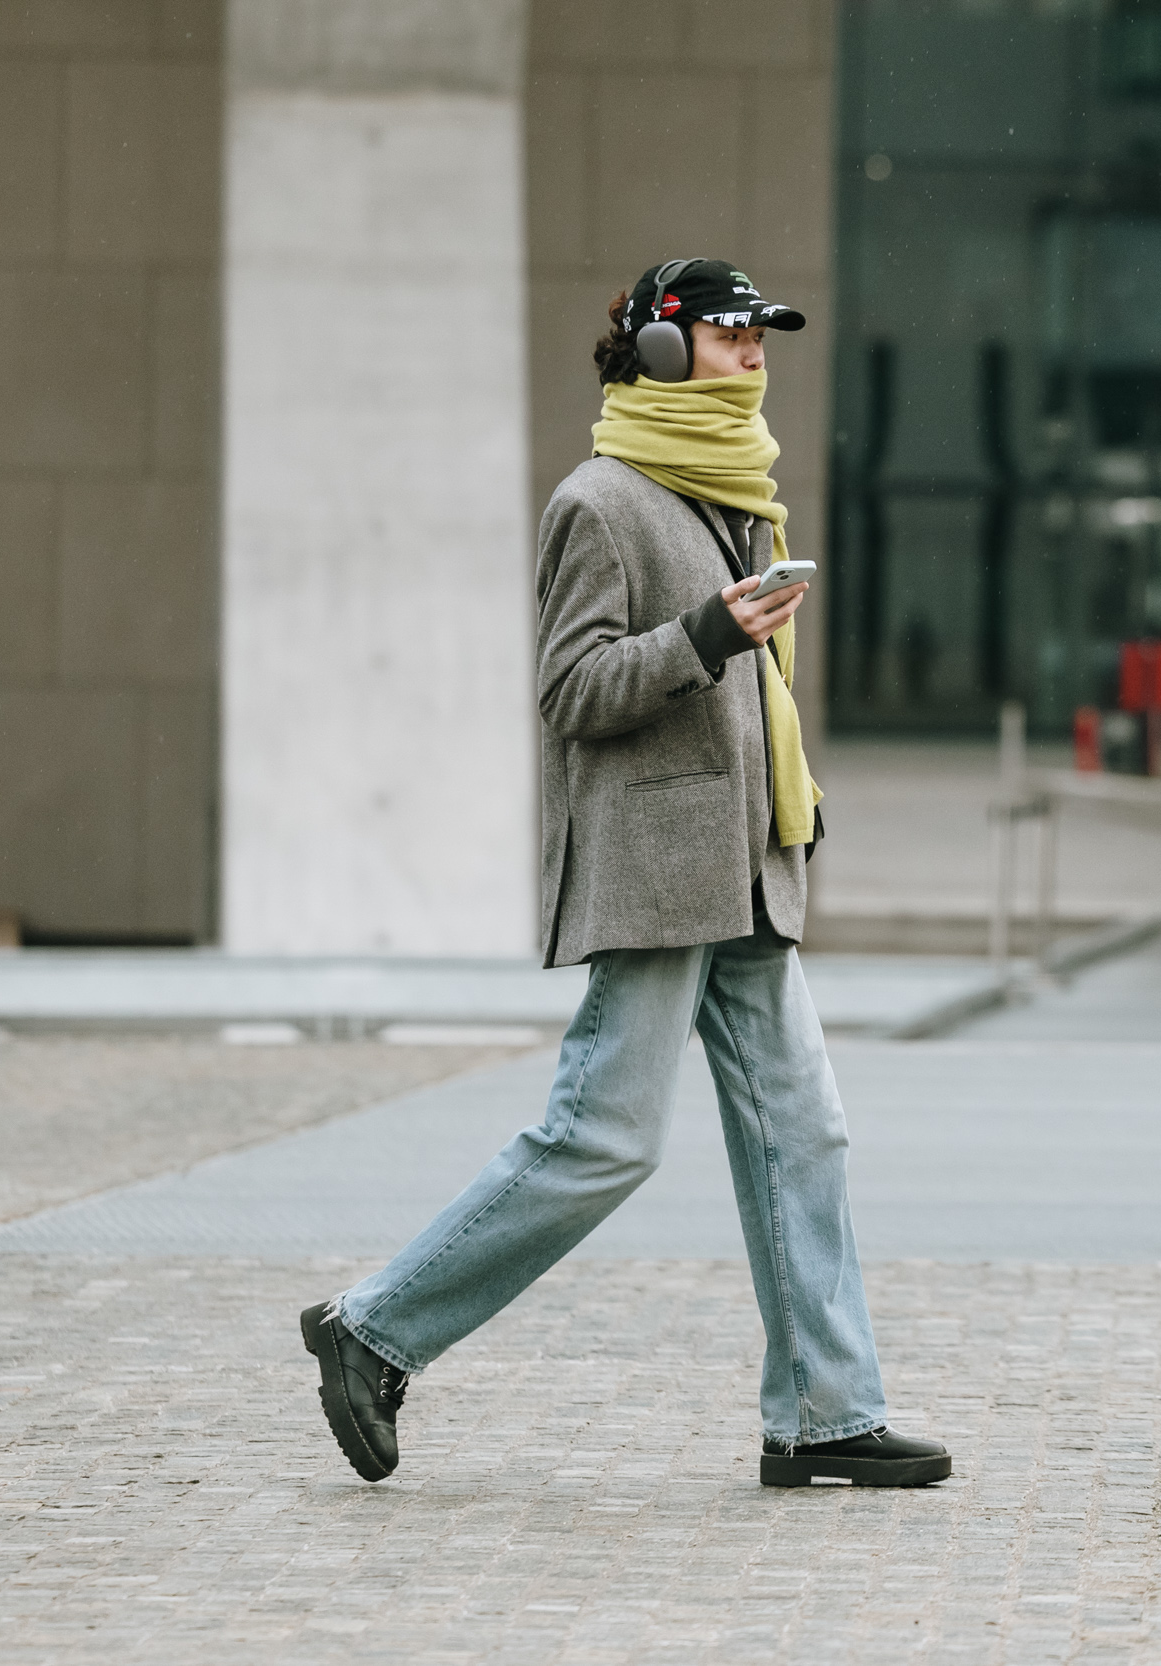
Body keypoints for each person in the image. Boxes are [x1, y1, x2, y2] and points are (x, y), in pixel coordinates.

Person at [298, 259, 949, 1491]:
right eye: (729, 335)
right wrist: (708, 632)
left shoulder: (735, 492)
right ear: (658, 348)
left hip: (749, 867)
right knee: (603, 1137)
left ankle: (825, 1411)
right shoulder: (599, 503)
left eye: (763, 338)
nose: (755, 355)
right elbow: (570, 693)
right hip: (657, 871)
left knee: (804, 1131)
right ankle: (372, 1329)